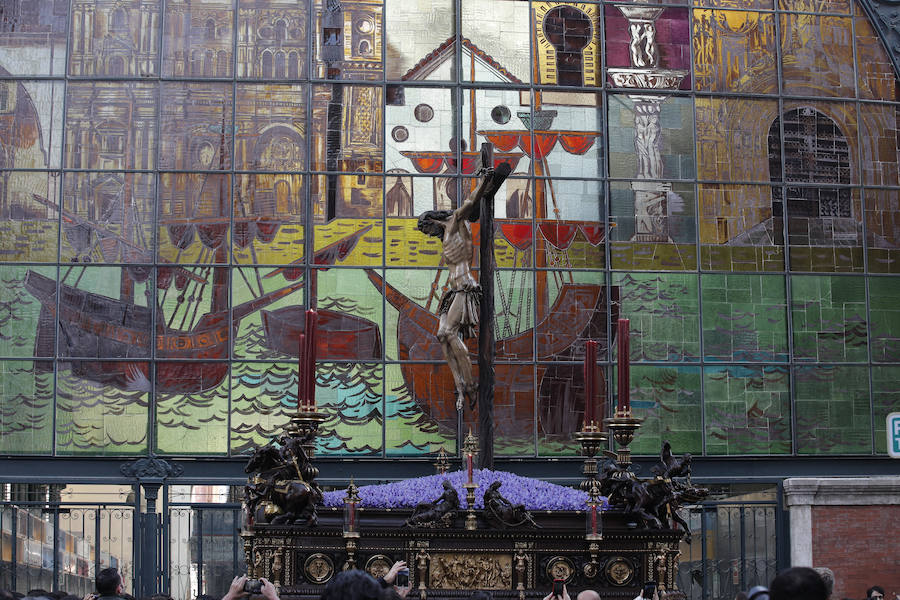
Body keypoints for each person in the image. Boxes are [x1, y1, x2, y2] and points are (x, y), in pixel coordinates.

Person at [416, 156, 509, 411]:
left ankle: (470, 385)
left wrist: (483, 181)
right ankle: (460, 385)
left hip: (465, 287)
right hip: (453, 290)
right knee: (441, 335)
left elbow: (470, 202)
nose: (429, 236)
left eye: (427, 231)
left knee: (448, 333)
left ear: (431, 222)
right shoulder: (446, 235)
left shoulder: (455, 222)